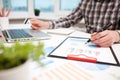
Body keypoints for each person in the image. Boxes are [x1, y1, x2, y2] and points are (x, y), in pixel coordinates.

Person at [30, 0, 120, 47]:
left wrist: (116, 35)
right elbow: (70, 19)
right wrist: (46, 25)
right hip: (89, 44)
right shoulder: (86, 1)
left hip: (113, 48)